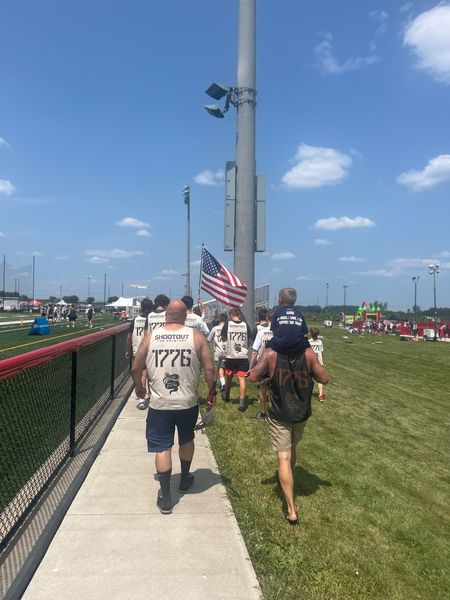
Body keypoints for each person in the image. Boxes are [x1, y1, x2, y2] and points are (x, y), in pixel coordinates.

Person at [131, 300, 216, 515]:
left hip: (160, 404)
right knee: (186, 439)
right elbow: (209, 369)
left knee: (162, 447)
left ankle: (167, 497)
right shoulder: (196, 337)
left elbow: (135, 367)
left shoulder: (152, 336)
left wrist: (139, 387)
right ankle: (185, 478)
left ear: (166, 315)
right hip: (187, 402)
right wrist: (211, 393)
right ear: (185, 316)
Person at [249, 341, 328, 525]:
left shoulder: (271, 353)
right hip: (301, 412)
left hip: (279, 412)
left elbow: (252, 376)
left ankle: (292, 510)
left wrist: (267, 371)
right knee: (292, 448)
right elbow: (324, 379)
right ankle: (288, 477)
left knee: (283, 457)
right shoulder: (308, 354)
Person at [220, 307, 253, 411]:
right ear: (239, 315)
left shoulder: (228, 324)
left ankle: (227, 396)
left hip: (231, 356)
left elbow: (223, 338)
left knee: (229, 377)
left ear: (230, 316)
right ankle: (242, 404)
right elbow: (250, 340)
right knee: (241, 379)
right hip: (243, 356)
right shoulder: (245, 325)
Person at [126, 298, 154, 409]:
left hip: (136, 350)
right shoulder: (152, 319)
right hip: (150, 349)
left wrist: (127, 350)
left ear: (141, 307)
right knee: (149, 374)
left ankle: (141, 396)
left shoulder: (135, 320)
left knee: (138, 373)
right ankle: (150, 394)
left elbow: (129, 337)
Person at [268, 287, 309, 355]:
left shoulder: (277, 313)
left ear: (280, 300)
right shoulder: (299, 314)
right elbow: (304, 332)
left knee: (268, 344)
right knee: (306, 343)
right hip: (297, 347)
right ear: (294, 301)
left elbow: (274, 332)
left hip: (280, 346)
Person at [249, 310, 273, 421]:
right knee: (274, 390)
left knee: (263, 389)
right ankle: (273, 413)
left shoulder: (261, 332)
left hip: (263, 363)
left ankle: (263, 412)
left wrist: (251, 366)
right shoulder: (279, 332)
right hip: (276, 364)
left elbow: (254, 351)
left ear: (267, 319)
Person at [207, 312, 228, 396]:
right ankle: (223, 381)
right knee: (224, 368)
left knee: (220, 369)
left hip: (218, 351)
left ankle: (223, 384)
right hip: (228, 351)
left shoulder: (215, 328)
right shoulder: (229, 328)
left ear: (219, 319)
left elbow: (209, 339)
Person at [308, 327, 325, 401]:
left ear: (310, 334)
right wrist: (321, 362)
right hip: (318, 362)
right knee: (319, 379)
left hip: (310, 362)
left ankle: (307, 393)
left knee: (308, 378)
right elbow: (321, 352)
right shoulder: (320, 342)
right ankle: (320, 395)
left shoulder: (308, 342)